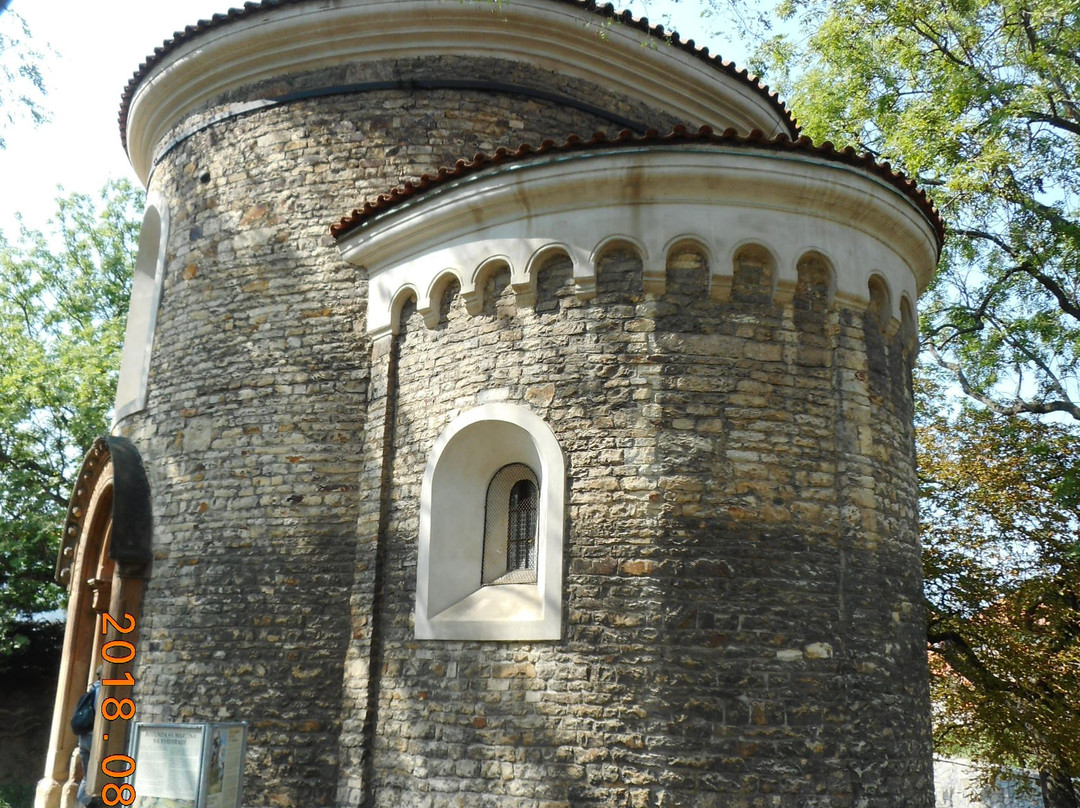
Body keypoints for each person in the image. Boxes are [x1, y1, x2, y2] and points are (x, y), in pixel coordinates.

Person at [72, 669, 101, 807]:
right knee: (96, 777)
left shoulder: (92, 689)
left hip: (83, 737)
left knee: (86, 777)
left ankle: (80, 805)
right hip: (94, 738)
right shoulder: (103, 692)